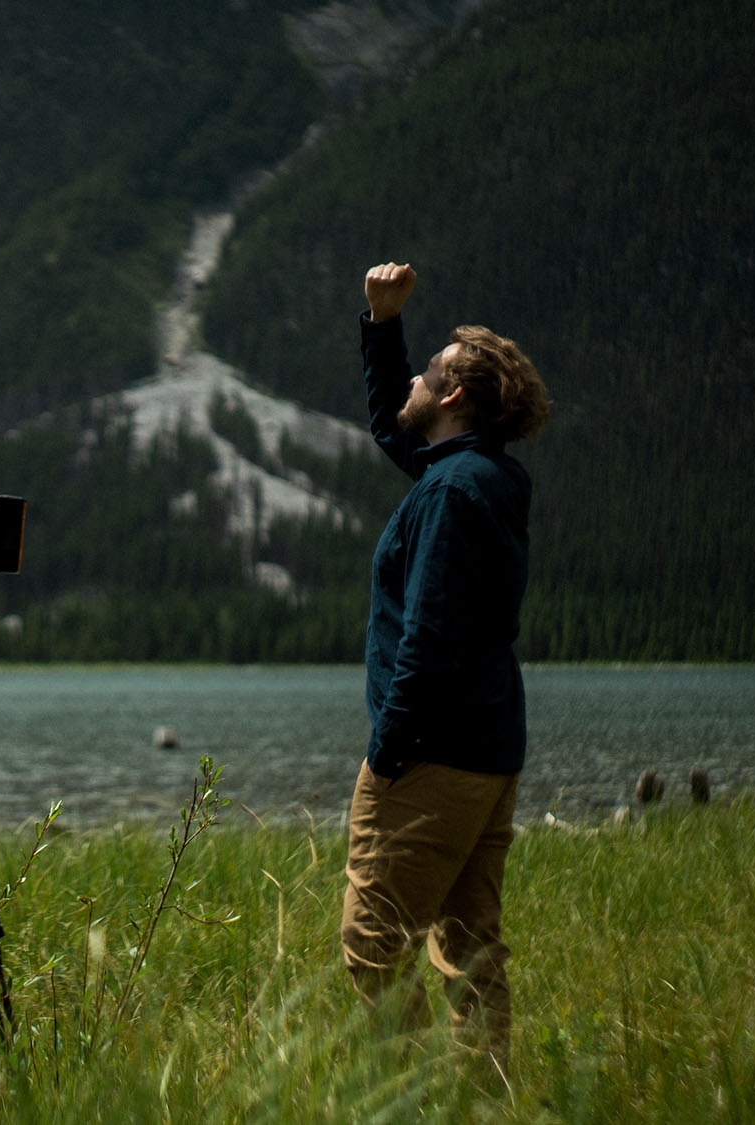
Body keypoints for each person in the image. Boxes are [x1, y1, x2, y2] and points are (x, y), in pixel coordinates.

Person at [340, 262, 550, 1072]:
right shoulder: (477, 475)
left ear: (454, 395)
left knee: (372, 946)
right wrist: (382, 325)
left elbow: (428, 637)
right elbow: (395, 425)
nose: (415, 380)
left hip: (432, 755)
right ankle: (482, 1100)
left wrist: (388, 750)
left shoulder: (451, 495)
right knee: (470, 946)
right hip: (488, 750)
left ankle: (404, 1098)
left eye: (428, 370)